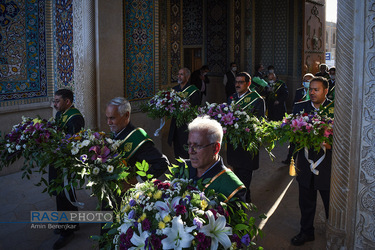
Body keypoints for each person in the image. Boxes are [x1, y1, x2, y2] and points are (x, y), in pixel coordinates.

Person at [102, 97, 169, 235]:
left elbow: (162, 163)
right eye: (107, 118)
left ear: (126, 115)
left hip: (126, 201)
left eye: (112, 118)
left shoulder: (137, 138)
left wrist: (136, 180)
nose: (108, 122)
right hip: (111, 196)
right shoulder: (116, 133)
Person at [290, 76, 333, 246]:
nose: (312, 92)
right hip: (306, 163)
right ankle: (306, 232)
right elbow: (292, 133)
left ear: (326, 91)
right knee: (306, 201)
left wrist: (330, 144)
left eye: (317, 89)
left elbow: (345, 136)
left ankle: (335, 232)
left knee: (331, 202)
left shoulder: (335, 108)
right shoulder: (300, 107)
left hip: (328, 164)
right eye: (311, 89)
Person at [174, 116, 246, 202]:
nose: (190, 151)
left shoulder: (233, 187)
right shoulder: (183, 168)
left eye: (197, 146)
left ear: (215, 148)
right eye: (189, 145)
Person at [50, 89, 85, 249]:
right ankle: (69, 223)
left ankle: (67, 231)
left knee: (64, 193)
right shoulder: (59, 114)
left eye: (58, 101)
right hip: (57, 159)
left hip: (66, 162)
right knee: (60, 192)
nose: (55, 104)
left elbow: (74, 144)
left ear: (67, 102)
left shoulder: (75, 118)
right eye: (55, 100)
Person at [227, 72, 265, 203]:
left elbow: (259, 122)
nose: (237, 84)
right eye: (236, 82)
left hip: (247, 143)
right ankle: (245, 195)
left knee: (245, 172)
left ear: (248, 83)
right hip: (233, 143)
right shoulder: (231, 98)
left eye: (241, 82)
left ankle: (242, 200)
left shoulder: (257, 100)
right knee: (235, 170)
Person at [168, 68, 201, 159]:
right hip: (175, 125)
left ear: (188, 76)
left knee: (185, 150)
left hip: (186, 125)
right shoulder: (174, 89)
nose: (179, 76)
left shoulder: (194, 91)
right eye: (178, 74)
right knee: (177, 150)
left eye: (181, 74)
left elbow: (195, 108)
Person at [282, 73, 314, 165]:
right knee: (294, 142)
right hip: (298, 120)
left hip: (310, 120)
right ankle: (290, 159)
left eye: (309, 81)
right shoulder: (299, 91)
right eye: (305, 81)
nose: (306, 83)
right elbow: (294, 104)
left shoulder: (314, 94)